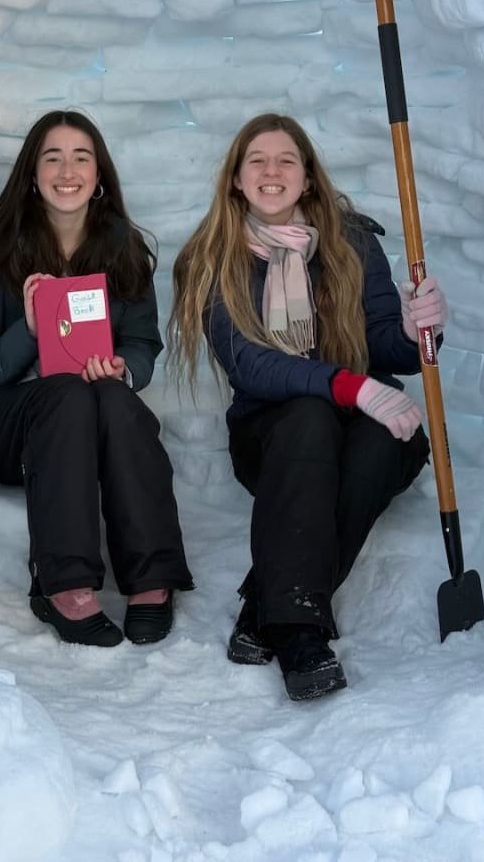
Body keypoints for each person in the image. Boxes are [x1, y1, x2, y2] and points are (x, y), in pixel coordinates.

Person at [169, 113, 447, 701]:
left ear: (308, 178)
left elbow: (387, 347)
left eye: (286, 160)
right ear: (237, 181)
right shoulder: (209, 257)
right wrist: (354, 387)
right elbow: (250, 364)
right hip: (272, 440)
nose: (273, 172)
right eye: (258, 162)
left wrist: (417, 327)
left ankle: (266, 604)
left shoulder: (352, 242)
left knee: (384, 441)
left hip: (359, 422)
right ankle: (299, 631)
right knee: (308, 416)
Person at [0, 109, 193, 647]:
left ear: (99, 175)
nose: (67, 169)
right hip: (12, 429)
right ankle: (63, 586)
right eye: (53, 157)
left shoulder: (123, 251)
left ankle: (151, 579)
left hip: (94, 417)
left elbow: (142, 344)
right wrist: (27, 330)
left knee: (116, 400)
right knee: (69, 393)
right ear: (32, 172)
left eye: (81, 157)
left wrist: (126, 369)